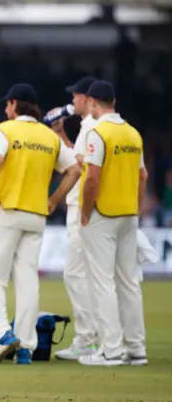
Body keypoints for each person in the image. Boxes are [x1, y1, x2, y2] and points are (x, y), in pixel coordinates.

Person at [0, 83, 80, 365]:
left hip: (6, 211)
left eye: (7, 104)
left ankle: (2, 335)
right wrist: (54, 200)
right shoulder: (49, 137)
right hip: (36, 215)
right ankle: (26, 346)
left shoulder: (5, 130)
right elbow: (74, 169)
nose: (4, 109)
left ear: (14, 104)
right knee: (26, 281)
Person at [78, 81, 148, 367]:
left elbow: (92, 176)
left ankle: (112, 350)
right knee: (129, 282)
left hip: (102, 215)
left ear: (93, 103)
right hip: (128, 215)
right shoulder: (133, 134)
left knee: (102, 281)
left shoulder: (98, 133)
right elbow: (142, 177)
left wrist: (85, 210)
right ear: (114, 102)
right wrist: (137, 210)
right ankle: (136, 348)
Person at [50, 76, 101, 360]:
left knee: (75, 274)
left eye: (75, 97)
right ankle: (97, 337)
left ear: (86, 99)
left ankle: (87, 338)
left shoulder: (91, 125)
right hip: (86, 207)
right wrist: (61, 135)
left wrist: (58, 137)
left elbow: (78, 166)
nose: (72, 102)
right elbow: (79, 158)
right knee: (89, 275)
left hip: (82, 207)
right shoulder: (88, 126)